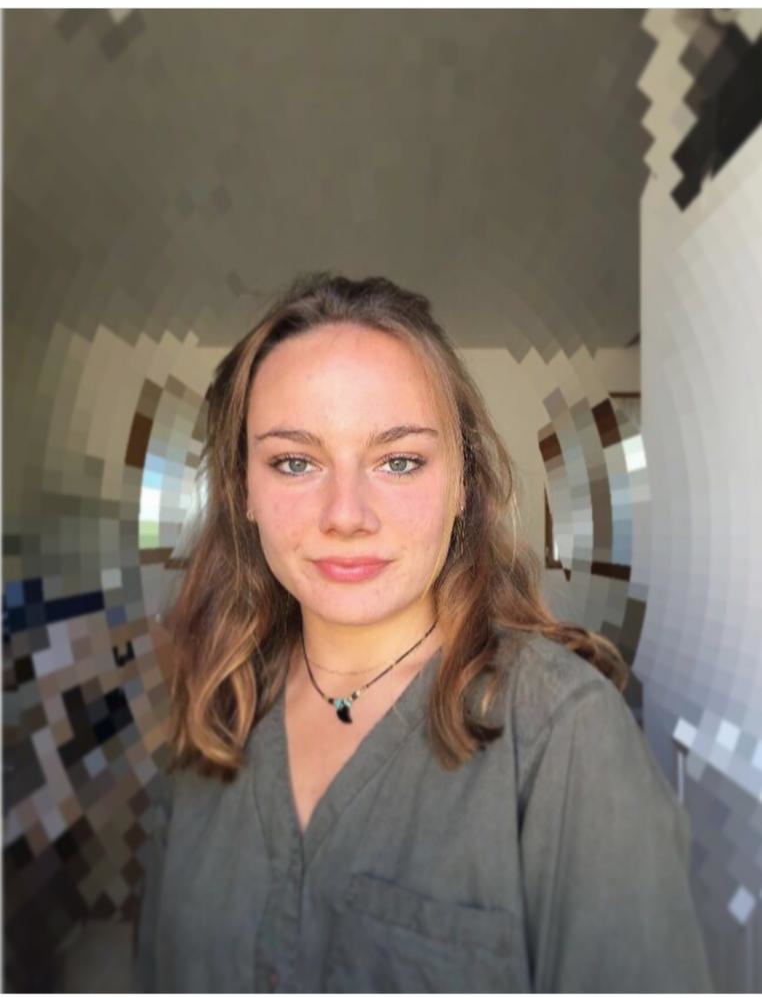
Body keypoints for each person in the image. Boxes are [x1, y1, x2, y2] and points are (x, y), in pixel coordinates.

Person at [133, 273, 712, 993]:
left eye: (399, 461)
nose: (346, 514)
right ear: (243, 489)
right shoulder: (215, 714)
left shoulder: (565, 735)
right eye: (295, 462)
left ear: (463, 482)